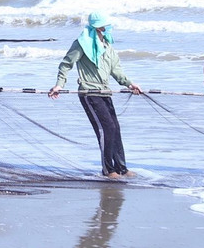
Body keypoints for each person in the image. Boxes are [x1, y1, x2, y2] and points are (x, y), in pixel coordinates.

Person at [48, 12, 142, 179]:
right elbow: (66, 64)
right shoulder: (81, 44)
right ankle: (108, 170)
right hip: (89, 93)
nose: (107, 29)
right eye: (104, 26)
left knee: (116, 129)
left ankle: (121, 168)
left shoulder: (107, 45)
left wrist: (129, 83)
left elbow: (116, 69)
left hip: (105, 92)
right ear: (97, 27)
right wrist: (59, 85)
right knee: (106, 129)